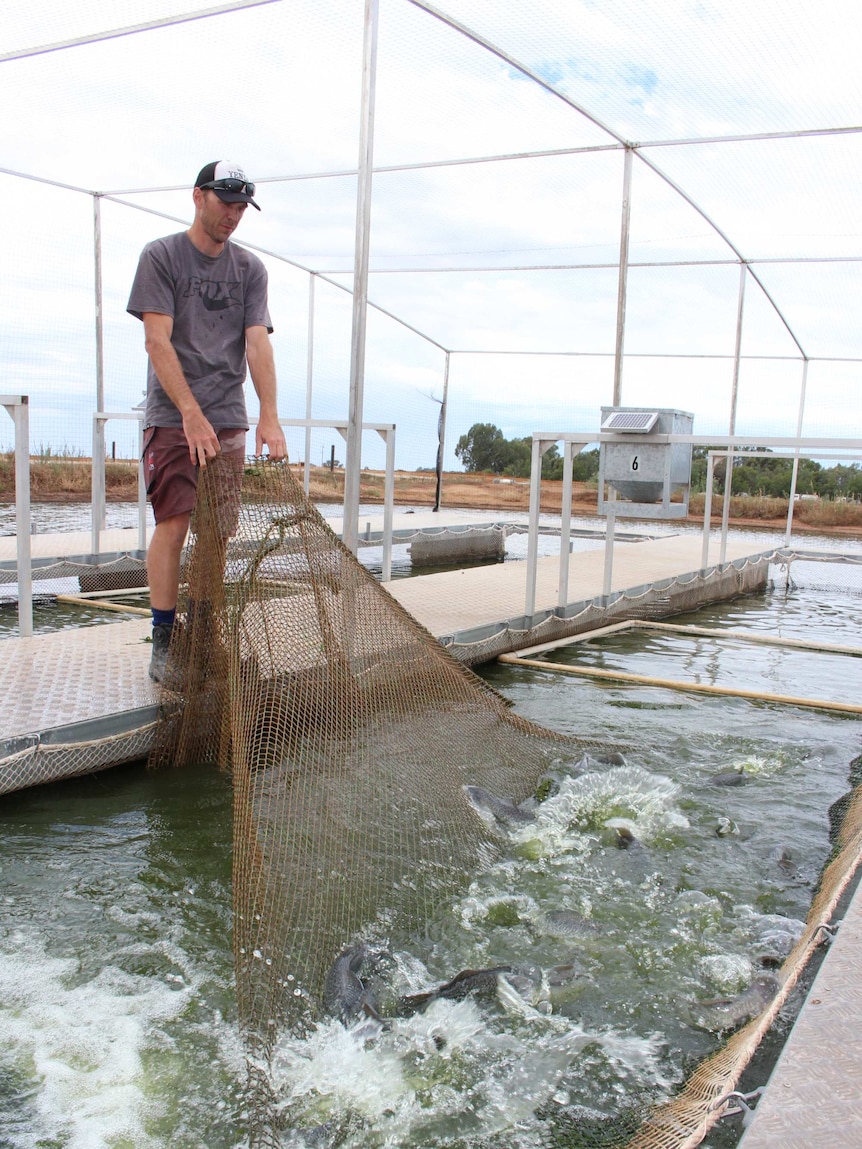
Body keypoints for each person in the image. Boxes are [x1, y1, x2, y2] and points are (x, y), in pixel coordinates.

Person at [127, 160, 287, 683]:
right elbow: (157, 340)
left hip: (228, 419)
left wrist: (268, 415)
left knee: (218, 533)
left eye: (242, 207)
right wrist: (190, 415)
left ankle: (202, 638)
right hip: (175, 417)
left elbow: (257, 341)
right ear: (198, 197)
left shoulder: (250, 270)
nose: (233, 215)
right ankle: (165, 642)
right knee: (175, 523)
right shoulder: (162, 256)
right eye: (226, 203)